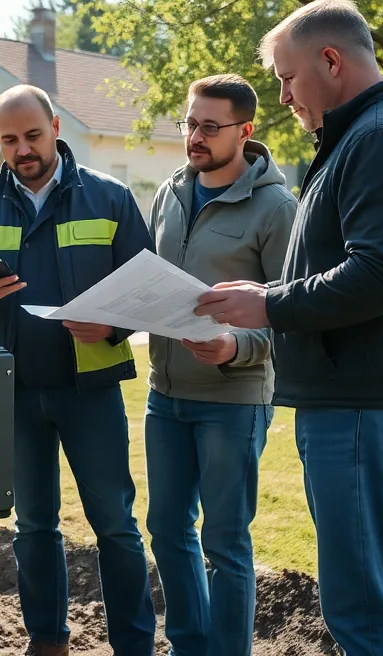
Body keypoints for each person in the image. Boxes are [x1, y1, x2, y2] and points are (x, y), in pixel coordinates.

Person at [195, 0, 383, 655]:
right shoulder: (366, 136)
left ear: (332, 61)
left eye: (288, 78)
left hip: (365, 411)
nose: (283, 96)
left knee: (364, 613)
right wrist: (270, 291)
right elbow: (354, 265)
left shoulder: (381, 140)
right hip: (363, 406)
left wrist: (270, 305)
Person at [0, 84, 156, 656]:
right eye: (9, 139)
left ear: (56, 127)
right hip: (12, 393)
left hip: (91, 392)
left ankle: (134, 645)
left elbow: (147, 290)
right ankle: (47, 640)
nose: (23, 149)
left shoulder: (109, 197)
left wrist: (110, 326)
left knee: (115, 524)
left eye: (33, 135)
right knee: (33, 525)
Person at [145, 74, 296, 656]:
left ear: (245, 130)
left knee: (225, 543)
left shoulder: (277, 208)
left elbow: (296, 315)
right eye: (190, 123)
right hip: (165, 395)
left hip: (233, 402)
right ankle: (188, 647)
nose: (195, 137)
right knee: (167, 530)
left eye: (210, 126)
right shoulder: (169, 193)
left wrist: (237, 346)